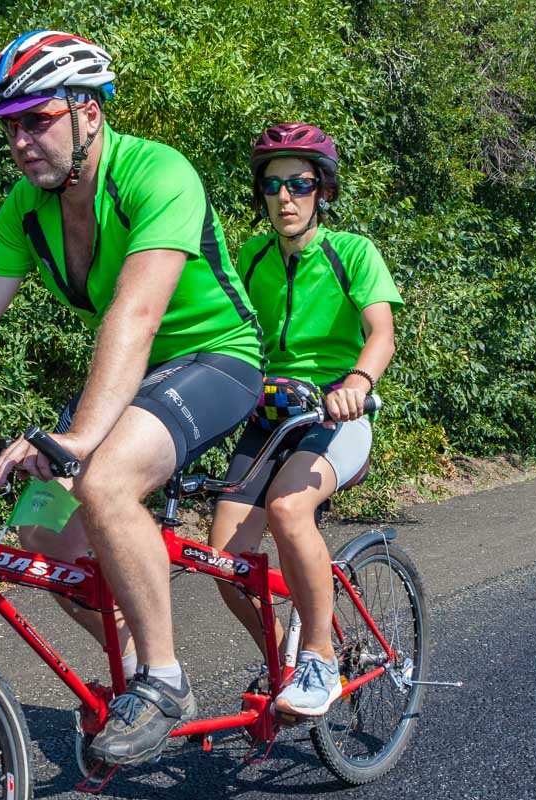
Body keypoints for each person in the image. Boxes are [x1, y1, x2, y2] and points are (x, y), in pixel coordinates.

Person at [0, 30, 264, 765]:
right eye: (9, 124)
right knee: (45, 532)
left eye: (36, 118)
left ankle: (165, 683)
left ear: (89, 112)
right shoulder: (27, 206)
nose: (20, 140)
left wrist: (80, 441)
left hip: (214, 359)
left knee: (103, 483)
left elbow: (135, 316)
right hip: (127, 372)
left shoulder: (156, 172)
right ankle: (140, 650)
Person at [207, 123, 404, 718]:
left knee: (291, 510)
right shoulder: (253, 253)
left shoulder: (351, 253)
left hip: (335, 414)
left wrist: (356, 384)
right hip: (270, 413)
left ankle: (318, 655)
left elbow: (381, 332)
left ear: (322, 189)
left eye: (299, 183)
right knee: (224, 559)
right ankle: (281, 659)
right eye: (273, 185)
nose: (285, 197)